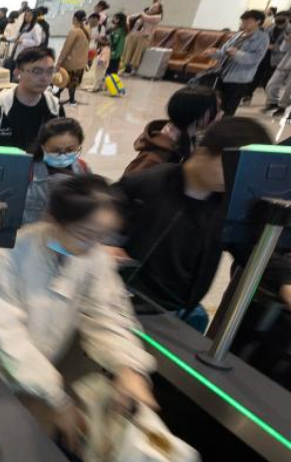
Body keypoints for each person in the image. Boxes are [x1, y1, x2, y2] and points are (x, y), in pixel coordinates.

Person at [0, 175, 157, 449]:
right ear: (54, 219)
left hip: (38, 379)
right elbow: (7, 336)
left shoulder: (93, 257)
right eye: (85, 234)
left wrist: (127, 365)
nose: (93, 246)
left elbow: (107, 313)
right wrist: (57, 399)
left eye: (101, 237)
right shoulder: (7, 254)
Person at [115, 117, 272, 331]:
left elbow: (253, 251)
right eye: (231, 168)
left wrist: (284, 279)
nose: (236, 179)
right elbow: (99, 212)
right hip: (125, 300)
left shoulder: (228, 207)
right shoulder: (148, 182)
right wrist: (106, 244)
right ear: (202, 153)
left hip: (177, 310)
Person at [0, 47, 65, 150]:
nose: (44, 78)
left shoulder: (55, 107)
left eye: (49, 71)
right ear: (17, 72)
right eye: (37, 71)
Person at [123, 85, 220, 177]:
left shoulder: (188, 137)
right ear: (198, 116)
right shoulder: (158, 156)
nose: (220, 115)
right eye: (216, 110)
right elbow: (129, 183)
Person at [23, 118, 92, 225]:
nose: (63, 155)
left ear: (79, 146)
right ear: (43, 147)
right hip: (33, 232)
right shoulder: (28, 169)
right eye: (55, 150)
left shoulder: (83, 168)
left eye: (70, 150)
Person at [202, 9, 271, 116]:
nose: (244, 23)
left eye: (248, 21)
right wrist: (214, 53)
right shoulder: (239, 35)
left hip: (238, 78)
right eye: (243, 21)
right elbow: (225, 51)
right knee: (216, 104)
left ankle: (225, 125)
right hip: (223, 73)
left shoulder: (262, 37)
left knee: (228, 108)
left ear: (258, 21)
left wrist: (237, 53)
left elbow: (255, 58)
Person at [56, 11, 91, 105]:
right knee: (73, 83)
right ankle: (71, 100)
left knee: (63, 82)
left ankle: (55, 99)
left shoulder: (74, 32)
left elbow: (66, 49)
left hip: (70, 64)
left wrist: (59, 62)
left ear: (75, 18)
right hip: (81, 64)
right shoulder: (86, 32)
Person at [121, 0, 163, 74]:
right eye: (153, 6)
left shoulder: (158, 17)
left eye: (155, 7)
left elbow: (147, 18)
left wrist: (142, 12)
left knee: (137, 54)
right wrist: (127, 22)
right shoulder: (143, 13)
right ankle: (124, 68)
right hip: (133, 35)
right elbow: (130, 17)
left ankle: (134, 69)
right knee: (127, 52)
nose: (153, 8)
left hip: (144, 37)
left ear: (159, 10)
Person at [262, 27, 291, 117]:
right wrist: (287, 40)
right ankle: (273, 103)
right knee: (271, 84)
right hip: (285, 63)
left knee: (289, 89)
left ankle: (283, 106)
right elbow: (283, 49)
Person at [107, 12, 127, 76]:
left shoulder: (119, 30)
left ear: (118, 20)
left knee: (111, 68)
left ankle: (110, 79)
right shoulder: (119, 29)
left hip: (115, 52)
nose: (113, 19)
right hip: (117, 52)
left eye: (115, 18)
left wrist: (106, 41)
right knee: (113, 68)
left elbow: (114, 41)